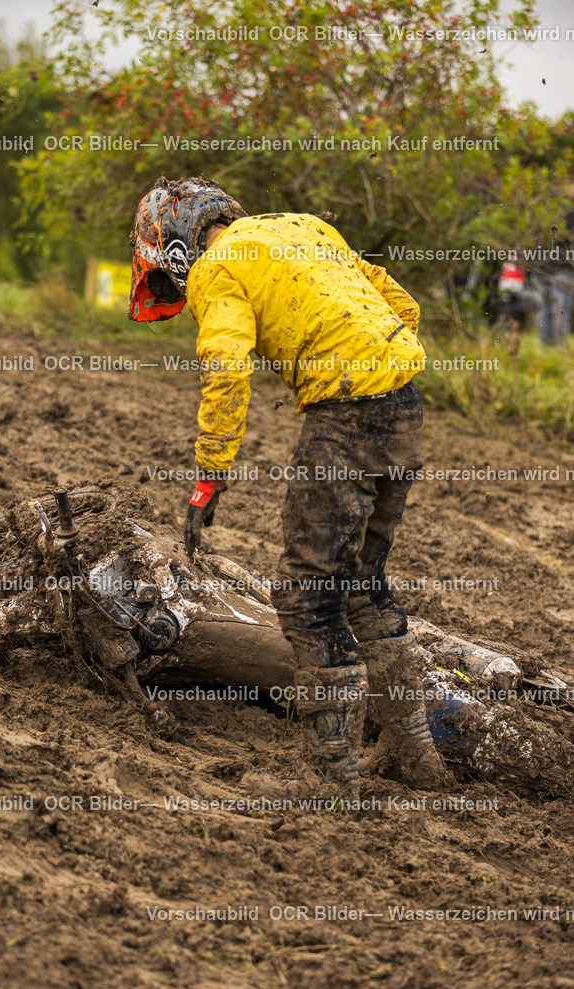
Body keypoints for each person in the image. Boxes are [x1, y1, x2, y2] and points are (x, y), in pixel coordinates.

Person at [129, 175, 447, 800]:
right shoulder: (304, 226)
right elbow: (401, 308)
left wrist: (209, 474)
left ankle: (330, 778)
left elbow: (226, 372)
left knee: (306, 596)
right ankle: (417, 755)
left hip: (347, 416)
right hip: (404, 406)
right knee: (360, 581)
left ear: (172, 244)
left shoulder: (218, 267)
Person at [527, 212, 574, 345]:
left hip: (542, 269)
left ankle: (548, 348)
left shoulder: (536, 211)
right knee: (559, 311)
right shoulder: (568, 212)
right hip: (560, 270)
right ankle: (556, 349)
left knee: (546, 310)